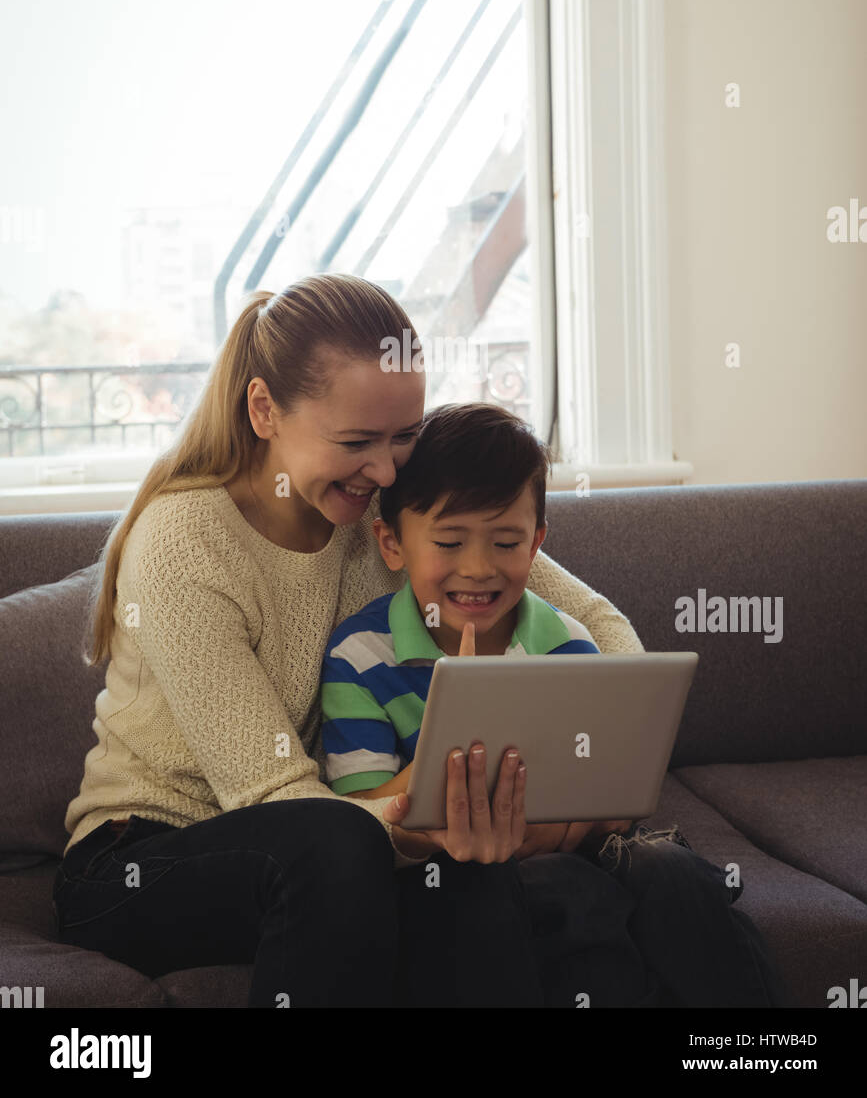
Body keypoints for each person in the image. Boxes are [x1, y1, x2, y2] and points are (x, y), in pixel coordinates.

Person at [52, 273, 644, 1009]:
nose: (389, 470)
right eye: (357, 441)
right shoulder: (185, 544)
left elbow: (604, 625)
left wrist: (601, 771)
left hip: (329, 843)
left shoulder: (379, 509)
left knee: (469, 880)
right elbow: (272, 797)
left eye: (405, 437)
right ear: (264, 409)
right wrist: (429, 813)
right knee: (342, 845)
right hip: (142, 857)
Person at [321, 401, 789, 1007]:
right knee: (563, 892)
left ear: (537, 543)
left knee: (674, 873)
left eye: (506, 541)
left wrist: (590, 816)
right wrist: (456, 727)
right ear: (391, 542)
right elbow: (363, 815)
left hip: (572, 850)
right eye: (449, 540)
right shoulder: (361, 656)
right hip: (448, 872)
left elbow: (611, 797)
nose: (478, 567)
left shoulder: (566, 642)